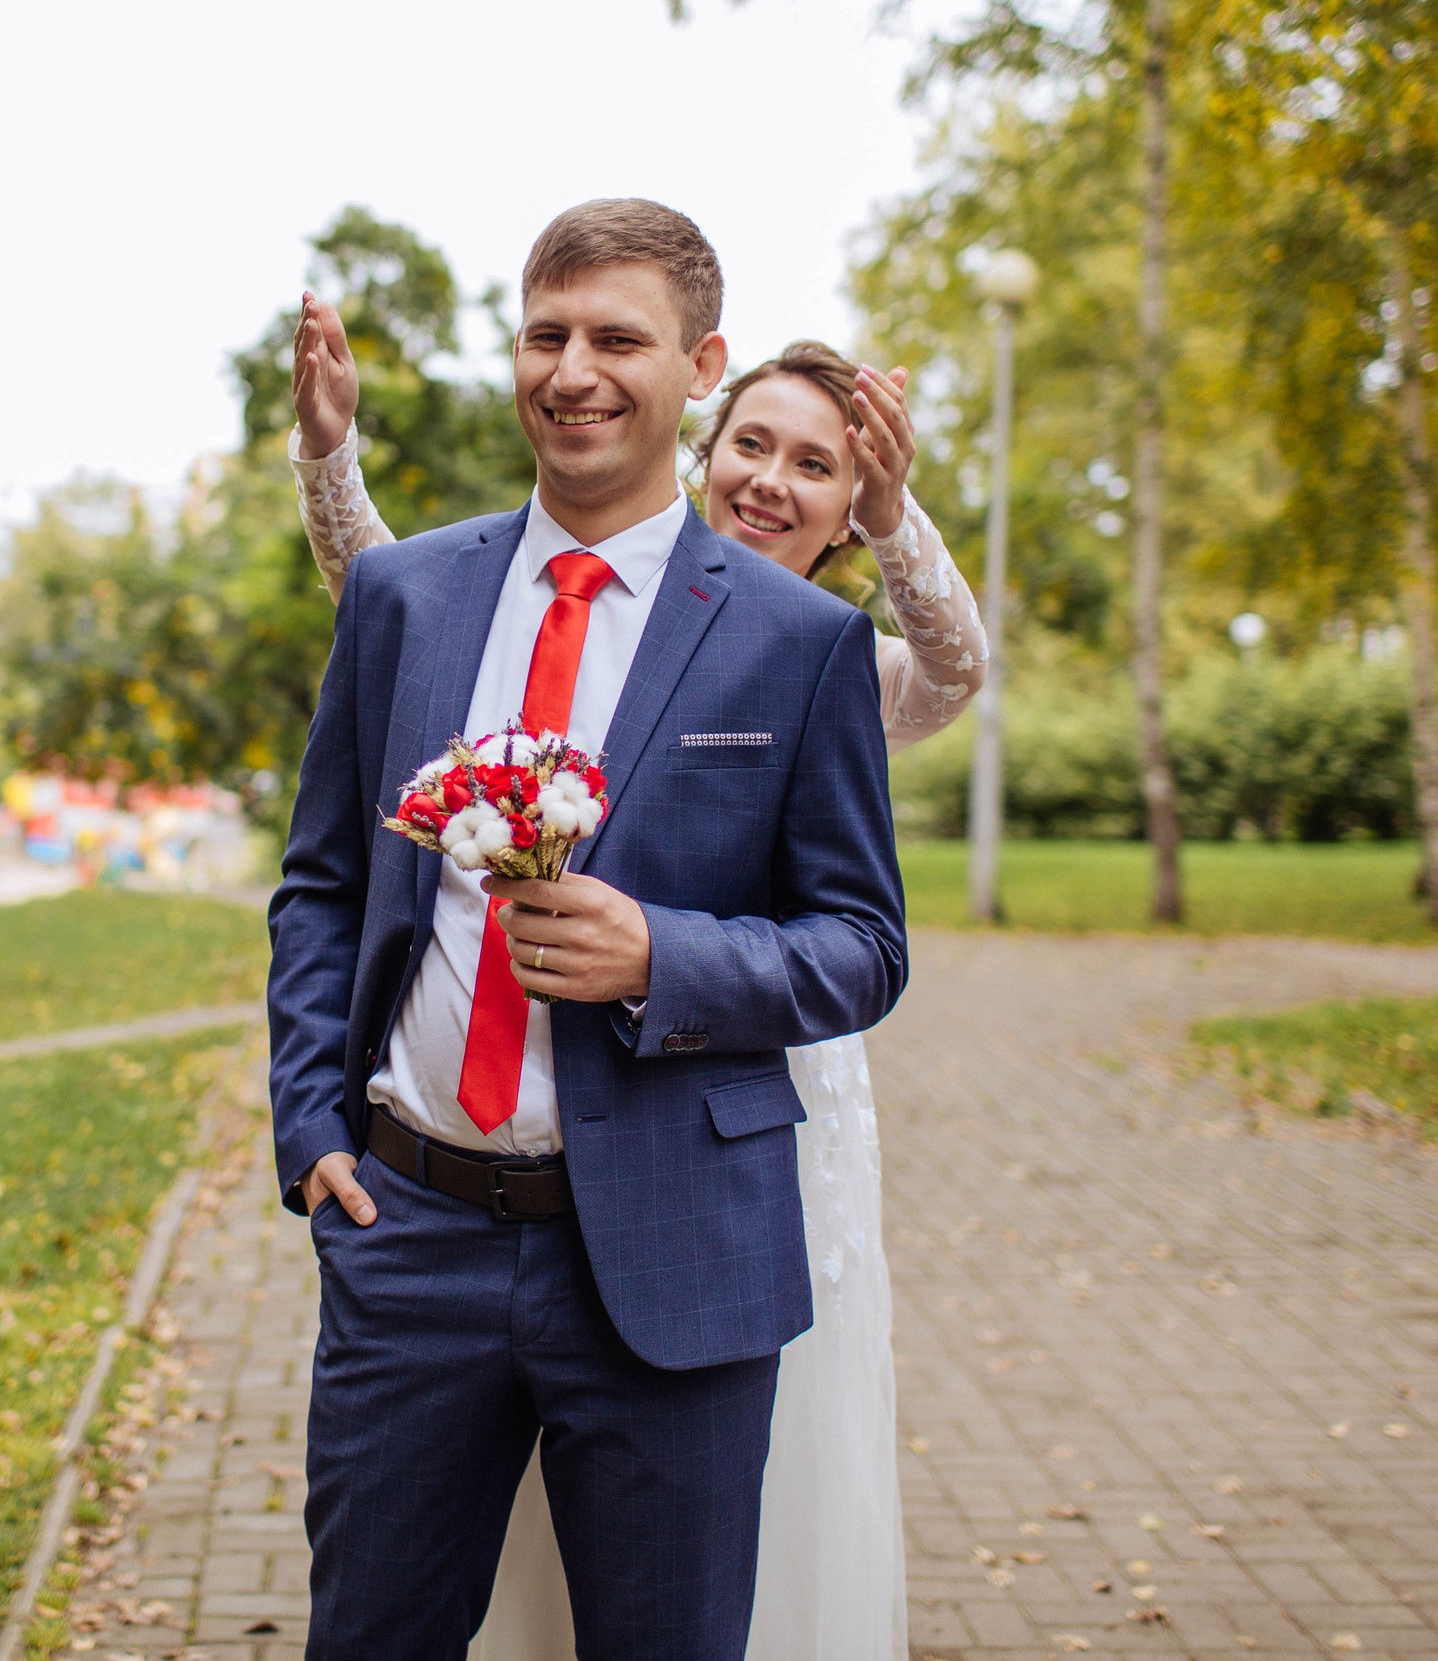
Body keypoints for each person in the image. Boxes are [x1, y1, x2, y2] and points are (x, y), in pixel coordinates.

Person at [286, 313, 986, 1661]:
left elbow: (877, 902)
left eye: (817, 466)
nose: (771, 481)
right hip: (422, 1217)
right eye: (754, 446)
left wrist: (661, 957)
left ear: (852, 508)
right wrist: (313, 1127)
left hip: (702, 1180)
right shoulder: (499, 595)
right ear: (706, 439)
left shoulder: (823, 650)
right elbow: (388, 610)